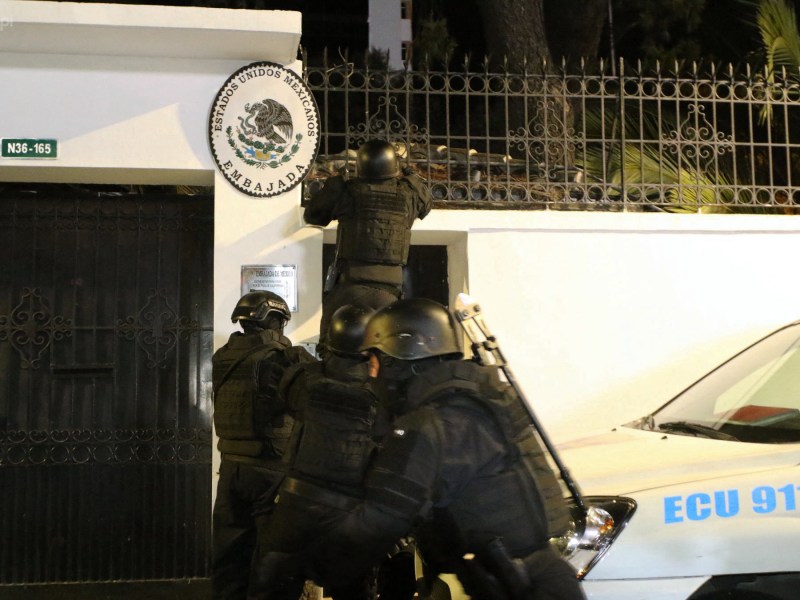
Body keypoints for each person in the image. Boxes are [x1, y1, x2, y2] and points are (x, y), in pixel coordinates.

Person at [301, 298, 587, 600]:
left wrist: (312, 564)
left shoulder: (433, 423)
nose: (372, 375)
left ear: (397, 360)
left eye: (373, 363)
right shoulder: (482, 396)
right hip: (539, 576)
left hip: (516, 586)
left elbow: (382, 517)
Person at [248, 303, 396, 600]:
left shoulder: (304, 378)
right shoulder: (383, 395)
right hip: (347, 515)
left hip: (294, 506)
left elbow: (290, 402)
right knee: (353, 590)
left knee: (271, 589)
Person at [211, 291, 315, 600]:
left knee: (230, 558)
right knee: (275, 563)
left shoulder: (222, 357)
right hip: (271, 470)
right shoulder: (280, 358)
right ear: (275, 321)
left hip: (231, 469)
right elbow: (312, 404)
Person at [303, 139, 433, 356]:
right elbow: (426, 202)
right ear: (393, 167)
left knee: (331, 349)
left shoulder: (349, 192)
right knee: (387, 356)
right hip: (391, 292)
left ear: (361, 166)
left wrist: (336, 183)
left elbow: (313, 215)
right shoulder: (409, 195)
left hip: (351, 288)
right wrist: (409, 173)